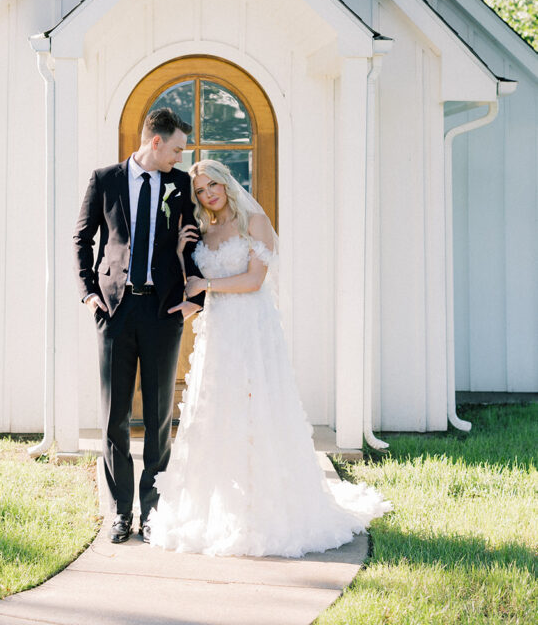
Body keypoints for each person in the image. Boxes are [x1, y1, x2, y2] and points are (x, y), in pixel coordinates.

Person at [148, 159, 392, 557]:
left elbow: (253, 280)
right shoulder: (204, 231)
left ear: (226, 183)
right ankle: (221, 508)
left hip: (252, 330)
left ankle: (265, 509)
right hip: (219, 332)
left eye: (213, 185)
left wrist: (206, 283)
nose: (209, 194)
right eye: (201, 191)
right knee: (218, 411)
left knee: (255, 407)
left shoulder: (253, 222)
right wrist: (180, 252)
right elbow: (191, 287)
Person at [73, 108, 203, 544]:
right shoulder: (105, 179)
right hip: (114, 311)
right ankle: (120, 513)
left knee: (160, 417)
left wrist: (194, 301)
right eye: (177, 149)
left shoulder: (180, 186)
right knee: (115, 418)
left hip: (164, 313)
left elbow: (196, 242)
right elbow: (83, 238)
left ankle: (152, 513)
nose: (180, 158)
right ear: (155, 142)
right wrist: (89, 292)